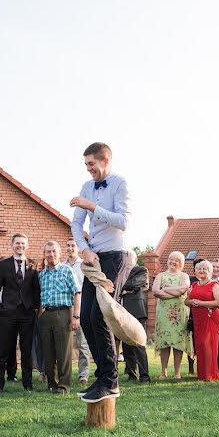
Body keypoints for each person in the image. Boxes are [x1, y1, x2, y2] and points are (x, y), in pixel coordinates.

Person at [70, 142, 132, 403]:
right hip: (93, 258)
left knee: (100, 315)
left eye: (91, 165)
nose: (88, 170)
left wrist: (92, 207)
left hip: (116, 256)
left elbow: (123, 222)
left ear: (105, 160)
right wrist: (84, 249)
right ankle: (102, 375)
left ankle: (111, 381)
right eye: (86, 165)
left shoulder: (120, 183)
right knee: (85, 317)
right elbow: (75, 223)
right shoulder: (87, 187)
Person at [0, 233, 40, 392]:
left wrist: (35, 308)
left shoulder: (33, 264)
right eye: (17, 243)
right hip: (8, 313)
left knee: (26, 350)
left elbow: (36, 290)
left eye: (23, 243)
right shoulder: (4, 265)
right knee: (3, 350)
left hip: (27, 314)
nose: (20, 246)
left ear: (27, 245)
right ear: (12, 245)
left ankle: (27, 384)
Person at [37, 241, 81, 393]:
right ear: (44, 254)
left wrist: (76, 316)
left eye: (54, 251)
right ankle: (52, 383)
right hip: (46, 315)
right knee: (48, 353)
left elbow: (77, 293)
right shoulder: (41, 275)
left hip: (64, 313)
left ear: (59, 253)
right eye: (48, 252)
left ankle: (64, 385)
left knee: (63, 352)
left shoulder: (67, 270)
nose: (51, 254)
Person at [152, 251, 192, 379]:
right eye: (171, 259)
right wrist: (175, 292)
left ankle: (177, 372)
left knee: (178, 342)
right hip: (163, 314)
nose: (173, 262)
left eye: (176, 260)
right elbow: (155, 292)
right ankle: (163, 372)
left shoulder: (184, 276)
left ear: (181, 263)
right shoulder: (160, 276)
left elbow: (183, 289)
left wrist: (165, 289)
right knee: (165, 342)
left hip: (179, 313)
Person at [185, 260, 219, 382]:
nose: (201, 271)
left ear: (210, 271)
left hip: (210, 317)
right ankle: (201, 374)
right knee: (200, 345)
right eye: (199, 269)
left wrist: (200, 303)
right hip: (198, 319)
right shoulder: (194, 285)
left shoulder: (214, 285)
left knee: (208, 345)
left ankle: (210, 374)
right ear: (195, 271)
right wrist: (191, 301)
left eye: (204, 269)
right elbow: (187, 301)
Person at [119, 251, 150, 383]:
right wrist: (125, 288)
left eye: (129, 258)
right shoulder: (119, 270)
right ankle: (131, 374)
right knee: (126, 345)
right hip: (121, 312)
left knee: (138, 344)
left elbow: (133, 284)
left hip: (137, 312)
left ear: (135, 259)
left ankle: (144, 376)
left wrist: (122, 287)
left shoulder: (141, 270)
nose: (127, 261)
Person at [65, 238, 91, 385]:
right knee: (65, 344)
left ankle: (83, 375)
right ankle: (65, 373)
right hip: (65, 308)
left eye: (73, 245)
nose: (70, 248)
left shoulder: (84, 265)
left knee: (83, 344)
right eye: (68, 246)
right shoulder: (61, 266)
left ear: (78, 248)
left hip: (82, 308)